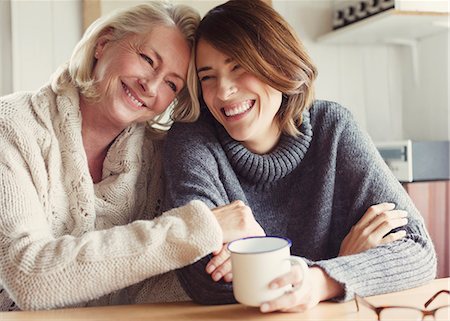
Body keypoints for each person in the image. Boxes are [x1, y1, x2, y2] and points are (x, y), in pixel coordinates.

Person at [163, 0, 437, 313]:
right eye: (207, 76)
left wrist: (319, 280)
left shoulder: (332, 127)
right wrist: (341, 266)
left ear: (279, 63)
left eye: (238, 67)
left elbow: (416, 250)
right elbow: (204, 277)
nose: (223, 91)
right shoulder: (192, 140)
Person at [0, 2, 265, 311]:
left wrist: (228, 260)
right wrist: (200, 229)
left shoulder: (157, 156)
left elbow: (146, 284)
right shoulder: (12, 126)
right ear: (103, 44)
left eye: (171, 83)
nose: (150, 85)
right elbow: (29, 278)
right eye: (146, 59)